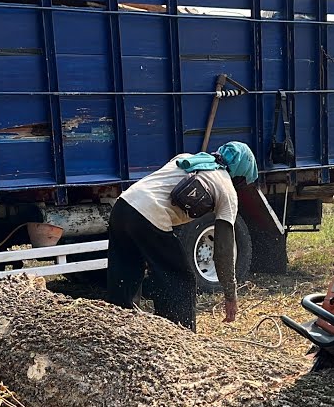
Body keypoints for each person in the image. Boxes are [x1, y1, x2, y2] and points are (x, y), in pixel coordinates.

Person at [106, 141, 258, 331]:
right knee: (179, 279)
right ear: (240, 172)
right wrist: (230, 294)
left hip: (122, 207)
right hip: (149, 215)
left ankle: (119, 328)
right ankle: (179, 333)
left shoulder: (187, 158)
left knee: (125, 272)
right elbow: (224, 250)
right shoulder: (227, 190)